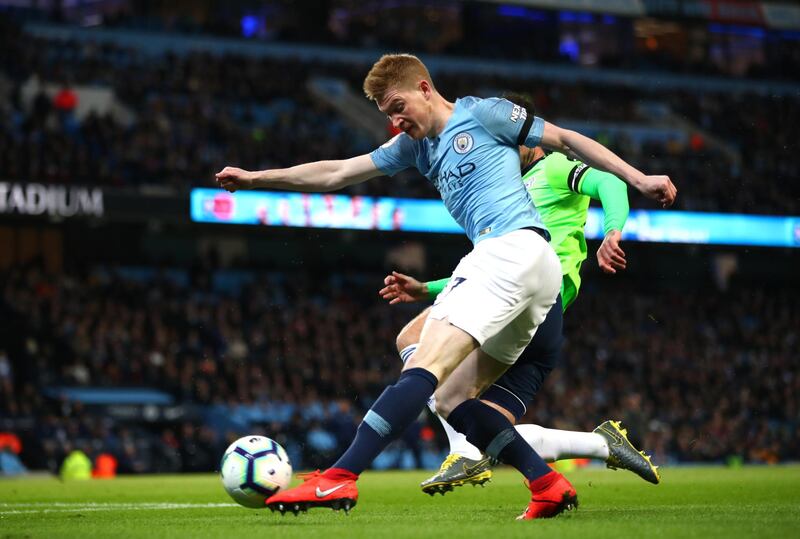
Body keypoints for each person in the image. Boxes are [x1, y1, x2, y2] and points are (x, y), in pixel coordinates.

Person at [216, 53, 676, 520]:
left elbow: (566, 139)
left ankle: (339, 477)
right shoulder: (415, 148)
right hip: (536, 272)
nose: (395, 120)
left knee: (422, 358)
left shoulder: (484, 112)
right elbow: (337, 172)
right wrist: (257, 178)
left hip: (510, 250)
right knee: (451, 398)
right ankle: (547, 484)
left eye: (398, 105)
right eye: (386, 115)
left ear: (424, 88)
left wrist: (638, 179)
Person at [377, 93, 659, 496]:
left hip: (530, 294)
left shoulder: (554, 167)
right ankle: (600, 445)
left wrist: (613, 230)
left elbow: (608, 180)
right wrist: (428, 289)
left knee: (412, 342)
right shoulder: (506, 189)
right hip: (535, 307)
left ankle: (461, 453)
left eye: (512, 140)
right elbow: (478, 273)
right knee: (488, 431)